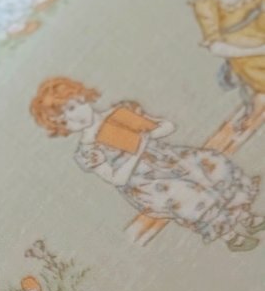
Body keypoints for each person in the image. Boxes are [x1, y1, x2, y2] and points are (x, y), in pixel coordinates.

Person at [30, 77, 264, 250]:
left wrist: (147, 133)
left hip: (168, 157)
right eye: (64, 120)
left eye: (72, 107)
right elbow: (117, 179)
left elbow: (166, 127)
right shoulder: (87, 152)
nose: (74, 117)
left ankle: (245, 216)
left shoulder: (119, 113)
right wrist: (136, 152)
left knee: (208, 164)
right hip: (145, 184)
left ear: (82, 97)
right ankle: (230, 235)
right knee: (184, 192)